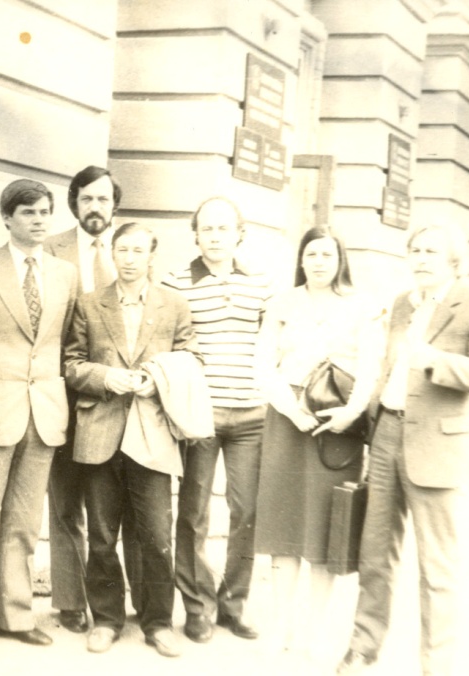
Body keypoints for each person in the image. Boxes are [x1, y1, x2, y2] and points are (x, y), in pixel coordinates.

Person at [336, 222, 469, 676]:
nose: (421, 258)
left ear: (454, 260)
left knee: (436, 566)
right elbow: (390, 367)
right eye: (415, 250)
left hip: (437, 445)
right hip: (387, 435)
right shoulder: (402, 303)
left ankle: (437, 664)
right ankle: (363, 646)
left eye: (431, 251)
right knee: (375, 553)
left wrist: (437, 361)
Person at [65, 222, 203, 658]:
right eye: (122, 249)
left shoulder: (173, 304)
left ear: (151, 256)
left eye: (138, 250)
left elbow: (192, 359)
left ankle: (158, 623)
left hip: (153, 433)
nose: (129, 258)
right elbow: (71, 364)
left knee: (156, 536)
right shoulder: (89, 303)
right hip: (100, 430)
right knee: (102, 535)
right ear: (112, 253)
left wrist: (155, 380)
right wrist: (107, 377)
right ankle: (106, 620)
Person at [0, 178, 78, 658]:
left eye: (45, 211)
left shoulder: (65, 274)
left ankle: (16, 615)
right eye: (28, 212)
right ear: (7, 217)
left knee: (25, 522)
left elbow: (65, 341)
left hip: (44, 409)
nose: (39, 219)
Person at [252, 226, 383, 663]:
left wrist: (352, 412)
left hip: (337, 423)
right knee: (285, 526)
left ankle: (312, 631)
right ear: (301, 260)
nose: (319, 262)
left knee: (326, 527)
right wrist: (292, 410)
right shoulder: (282, 303)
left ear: (340, 259)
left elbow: (371, 367)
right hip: (288, 418)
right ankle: (280, 626)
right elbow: (263, 365)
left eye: (327, 254)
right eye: (311, 254)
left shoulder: (362, 306)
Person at [160, 196, 273, 644]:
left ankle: (234, 605)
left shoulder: (261, 283)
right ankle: (197, 607)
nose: (215, 236)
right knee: (194, 513)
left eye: (224, 228)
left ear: (239, 234)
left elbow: (275, 342)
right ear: (195, 234)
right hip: (200, 417)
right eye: (206, 228)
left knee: (247, 512)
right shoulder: (176, 282)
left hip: (251, 414)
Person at [44, 165, 142, 631]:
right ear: (74, 203)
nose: (95, 207)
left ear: (114, 205)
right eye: (87, 199)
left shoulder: (131, 250)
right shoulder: (50, 250)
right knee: (66, 504)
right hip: (61, 392)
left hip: (120, 401)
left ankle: (138, 602)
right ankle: (70, 601)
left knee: (126, 506)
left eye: (104, 199)